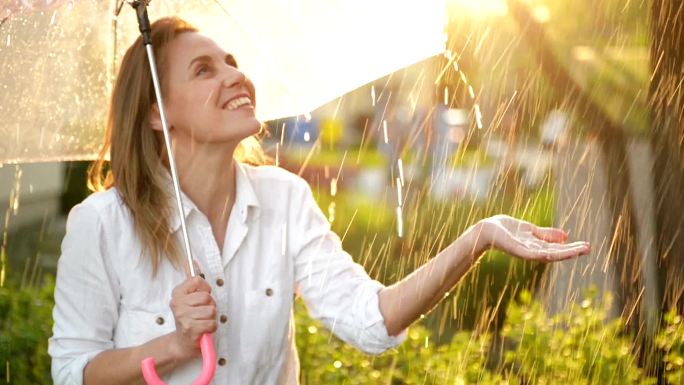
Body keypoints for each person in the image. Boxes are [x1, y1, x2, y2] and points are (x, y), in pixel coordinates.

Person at [48, 17, 591, 385]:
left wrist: (479, 236)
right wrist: (173, 346)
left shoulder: (284, 199)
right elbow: (73, 371)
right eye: (204, 69)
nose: (237, 75)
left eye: (231, 61)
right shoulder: (100, 225)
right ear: (157, 114)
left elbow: (369, 321)